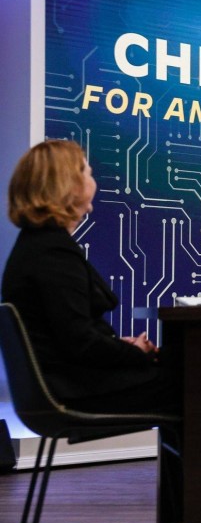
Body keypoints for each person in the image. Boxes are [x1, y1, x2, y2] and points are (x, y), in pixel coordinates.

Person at [2, 140, 180, 414]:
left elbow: (68, 334)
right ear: (67, 185)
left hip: (69, 384)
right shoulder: (53, 253)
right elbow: (80, 343)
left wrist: (119, 346)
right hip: (76, 391)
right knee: (193, 381)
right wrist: (136, 354)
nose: (92, 177)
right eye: (87, 172)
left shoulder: (38, 246)